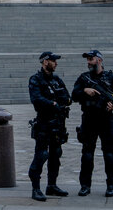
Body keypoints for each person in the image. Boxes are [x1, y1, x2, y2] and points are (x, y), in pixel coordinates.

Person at [72, 49, 113, 197]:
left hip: (106, 120)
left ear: (99, 60)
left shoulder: (111, 79)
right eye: (87, 60)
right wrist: (85, 91)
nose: (88, 62)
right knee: (87, 154)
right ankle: (85, 186)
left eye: (91, 59)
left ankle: (111, 185)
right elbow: (73, 95)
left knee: (109, 154)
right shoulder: (83, 78)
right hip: (89, 119)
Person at [27, 50, 71, 201]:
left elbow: (67, 97)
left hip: (58, 124)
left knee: (55, 154)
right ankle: (36, 188)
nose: (56, 63)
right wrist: (53, 103)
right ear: (45, 62)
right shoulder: (36, 80)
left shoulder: (56, 80)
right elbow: (37, 99)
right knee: (41, 155)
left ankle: (51, 186)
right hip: (44, 124)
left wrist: (56, 102)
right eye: (53, 60)